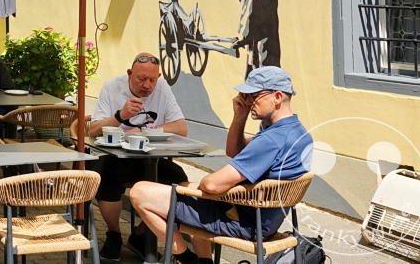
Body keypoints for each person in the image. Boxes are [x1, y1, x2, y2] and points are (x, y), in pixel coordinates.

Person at [130, 67, 312, 264]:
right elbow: (234, 151)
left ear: (277, 97)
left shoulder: (271, 140)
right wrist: (240, 116)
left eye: (254, 96)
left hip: (243, 222)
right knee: (184, 186)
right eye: (246, 96)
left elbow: (212, 185)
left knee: (139, 192)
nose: (248, 101)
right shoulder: (296, 132)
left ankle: (186, 259)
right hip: (259, 217)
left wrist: (208, 182)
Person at [88, 53, 189, 260]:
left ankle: (141, 235)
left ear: (158, 77)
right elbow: (94, 130)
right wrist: (120, 116)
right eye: (141, 79)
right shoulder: (112, 86)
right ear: (129, 74)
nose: (147, 85)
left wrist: (144, 131)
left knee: (179, 181)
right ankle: (114, 234)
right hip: (113, 157)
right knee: (106, 177)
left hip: (148, 157)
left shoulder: (163, 88)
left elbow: (181, 128)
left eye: (152, 80)